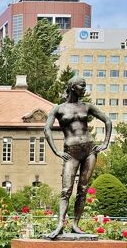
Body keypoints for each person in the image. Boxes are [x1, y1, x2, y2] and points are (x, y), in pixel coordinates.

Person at [43, 76, 112, 239]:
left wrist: (105, 143)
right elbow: (47, 130)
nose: (84, 89)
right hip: (71, 152)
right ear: (73, 87)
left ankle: (75, 224)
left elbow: (108, 121)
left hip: (89, 151)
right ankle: (60, 224)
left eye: (85, 86)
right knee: (66, 190)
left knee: (82, 190)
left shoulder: (87, 107)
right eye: (82, 86)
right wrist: (56, 151)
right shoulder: (58, 109)